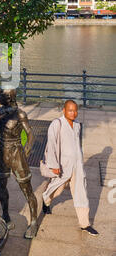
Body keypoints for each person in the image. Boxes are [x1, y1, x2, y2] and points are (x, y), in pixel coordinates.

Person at [42, 100, 99, 236]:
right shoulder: (57, 124)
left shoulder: (77, 125)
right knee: (57, 189)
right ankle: (46, 200)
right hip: (62, 166)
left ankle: (85, 224)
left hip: (77, 166)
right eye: (70, 110)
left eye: (75, 110)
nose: (73, 113)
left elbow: (77, 146)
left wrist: (80, 162)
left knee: (81, 192)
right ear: (64, 110)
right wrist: (54, 165)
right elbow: (51, 145)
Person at [0, 88, 38, 239]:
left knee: (26, 188)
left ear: (9, 97)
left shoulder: (20, 114)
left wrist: (26, 151)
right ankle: (5, 216)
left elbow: (30, 134)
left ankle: (34, 222)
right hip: (2, 149)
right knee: (1, 184)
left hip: (16, 151)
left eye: (1, 95)